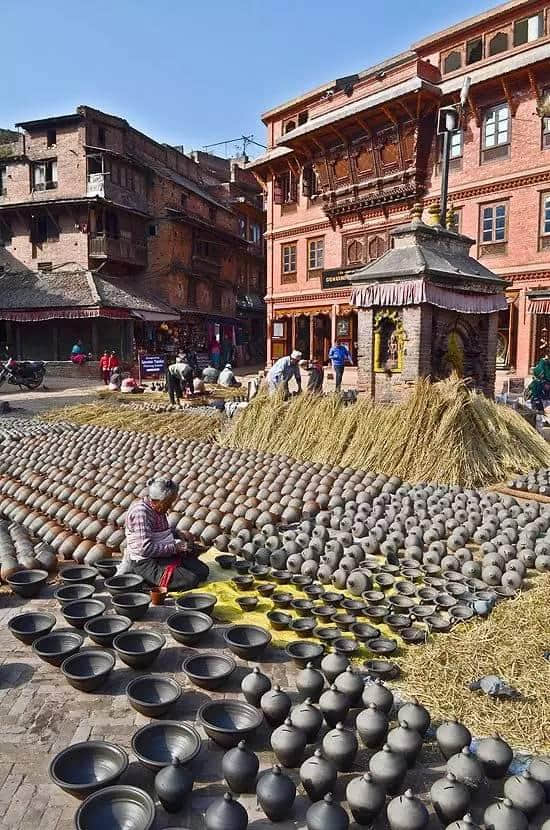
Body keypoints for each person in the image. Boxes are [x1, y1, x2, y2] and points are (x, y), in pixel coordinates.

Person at [121, 478, 209, 590]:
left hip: (162, 555)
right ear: (157, 501)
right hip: (146, 561)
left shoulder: (158, 508)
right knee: (191, 580)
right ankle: (142, 580)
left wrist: (177, 533)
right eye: (168, 502)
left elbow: (158, 531)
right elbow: (145, 549)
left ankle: (171, 571)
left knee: (202, 571)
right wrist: (175, 548)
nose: (170, 506)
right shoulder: (141, 513)